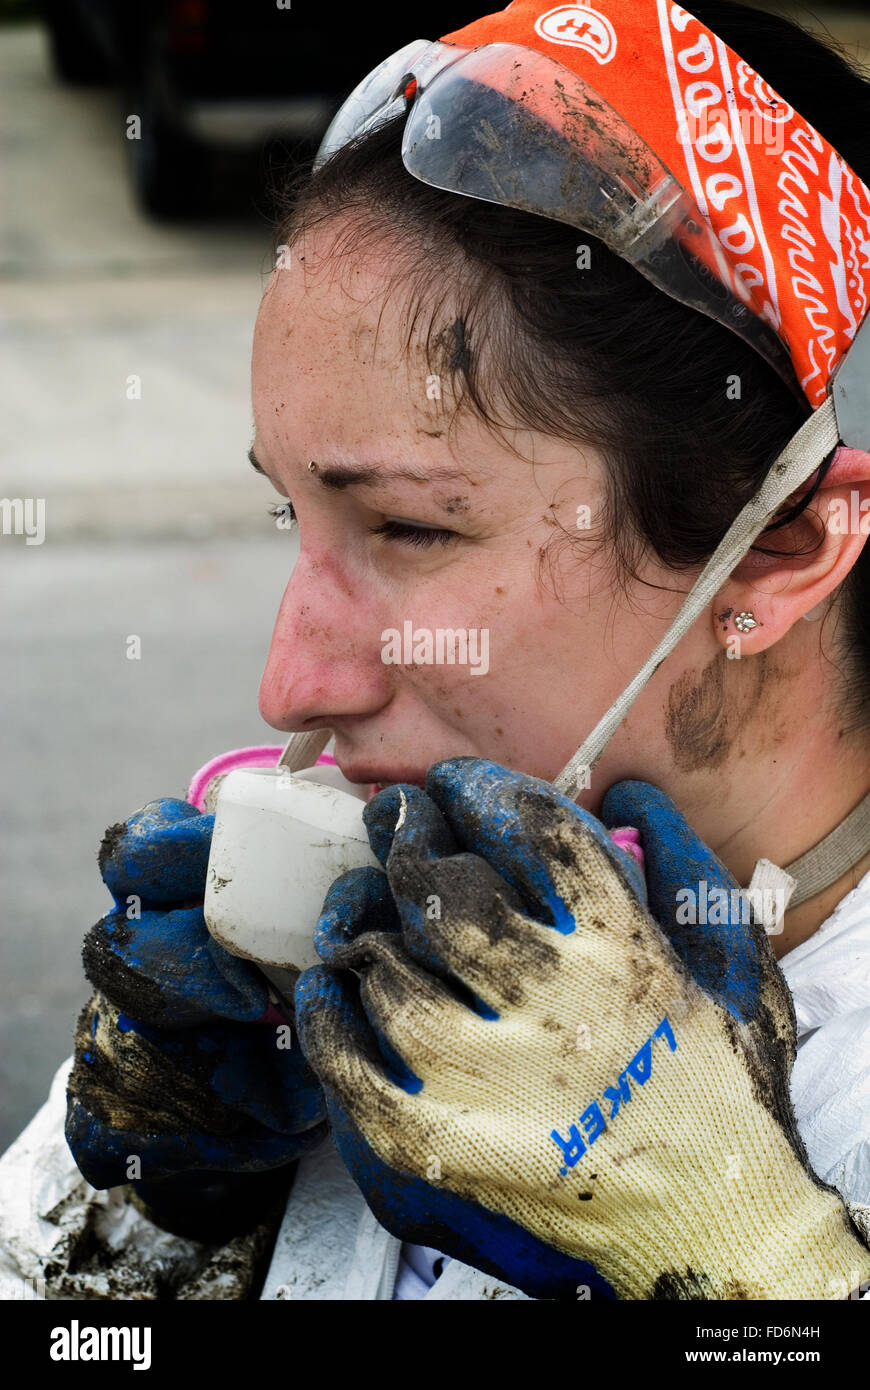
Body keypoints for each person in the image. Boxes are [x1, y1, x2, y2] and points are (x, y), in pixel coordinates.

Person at [2, 0, 870, 1300]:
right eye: (294, 516)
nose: (290, 685)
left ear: (785, 545)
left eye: (408, 526)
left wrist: (763, 1273)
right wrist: (138, 1227)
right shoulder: (345, 966)